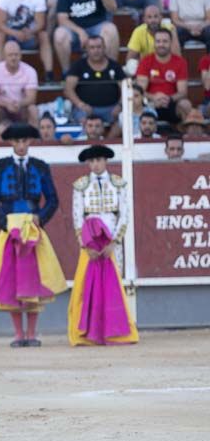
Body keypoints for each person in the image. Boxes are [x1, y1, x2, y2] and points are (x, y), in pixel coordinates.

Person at [0, 122, 64, 347]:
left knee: (33, 281)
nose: (20, 145)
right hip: (10, 228)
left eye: (24, 141)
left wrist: (41, 218)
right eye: (17, 141)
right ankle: (18, 334)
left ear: (30, 142)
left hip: (33, 228)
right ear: (11, 143)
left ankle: (31, 334)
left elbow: (53, 199)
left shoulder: (41, 166)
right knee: (12, 281)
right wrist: (5, 224)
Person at [68, 144, 137, 346]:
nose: (96, 165)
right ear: (88, 163)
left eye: (99, 160)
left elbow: (124, 216)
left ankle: (114, 331)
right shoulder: (80, 186)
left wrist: (114, 242)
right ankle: (89, 332)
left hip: (111, 244)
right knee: (86, 286)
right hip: (90, 245)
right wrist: (86, 245)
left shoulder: (119, 184)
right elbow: (77, 217)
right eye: (92, 161)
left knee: (114, 285)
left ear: (106, 161)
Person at [54, 0, 120, 77]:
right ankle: (67, 73)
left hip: (97, 27)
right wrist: (80, 32)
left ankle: (111, 71)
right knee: (59, 34)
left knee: (111, 30)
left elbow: (113, 8)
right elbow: (62, 19)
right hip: (75, 31)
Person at [0, 0, 52, 79]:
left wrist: (30, 31)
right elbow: (0, 24)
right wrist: (15, 33)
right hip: (11, 36)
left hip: (30, 35)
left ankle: (49, 73)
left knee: (43, 35)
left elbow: (40, 23)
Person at [63, 34, 125, 133]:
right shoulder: (78, 65)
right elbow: (68, 89)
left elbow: (125, 88)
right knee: (81, 119)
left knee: (123, 120)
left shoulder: (115, 66)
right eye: (92, 47)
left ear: (104, 48)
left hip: (111, 108)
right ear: (86, 49)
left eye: (99, 47)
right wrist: (81, 105)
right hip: (85, 108)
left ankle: (107, 142)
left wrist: (120, 106)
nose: (96, 50)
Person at [136, 28, 191, 127]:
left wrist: (168, 98)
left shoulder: (180, 62)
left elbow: (183, 92)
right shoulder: (145, 61)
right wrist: (154, 98)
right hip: (150, 103)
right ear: (154, 43)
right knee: (135, 104)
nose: (161, 44)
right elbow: (140, 90)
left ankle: (186, 138)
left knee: (185, 104)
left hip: (172, 102)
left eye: (165, 41)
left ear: (171, 43)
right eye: (158, 41)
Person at [0, 40, 38, 134]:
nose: (13, 58)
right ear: (4, 56)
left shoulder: (30, 71)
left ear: (21, 55)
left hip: (21, 108)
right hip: (2, 109)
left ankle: (34, 143)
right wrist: (7, 104)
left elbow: (31, 98)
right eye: (10, 55)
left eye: (16, 54)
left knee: (33, 109)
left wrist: (19, 103)